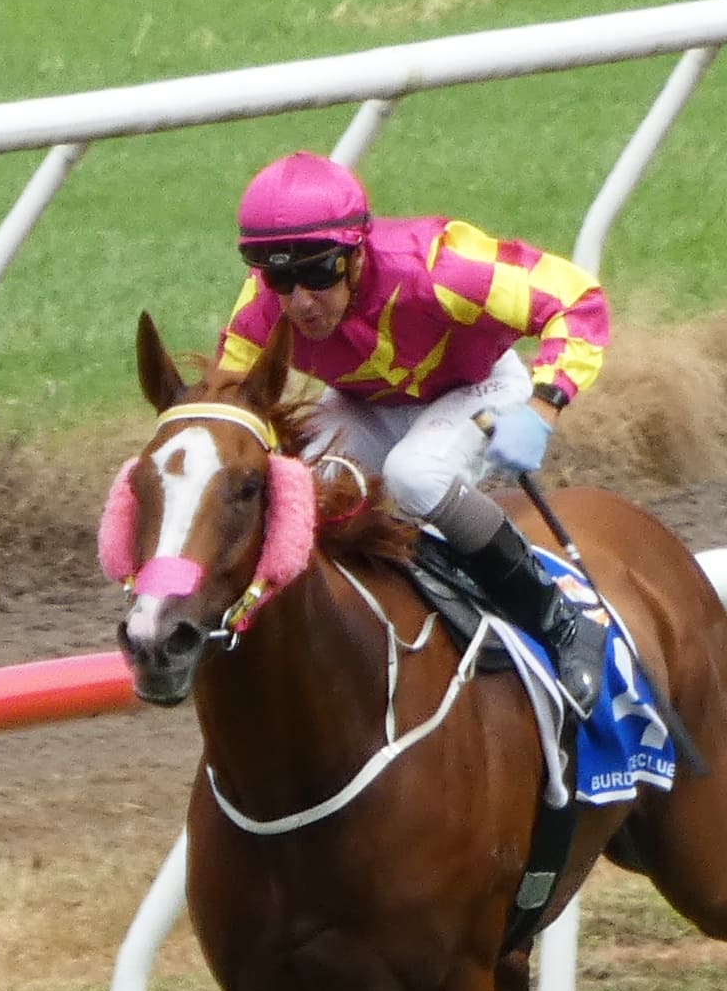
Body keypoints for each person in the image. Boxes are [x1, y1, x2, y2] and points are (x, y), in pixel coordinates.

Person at [212, 150, 620, 716]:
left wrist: (544, 405)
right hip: (368, 404)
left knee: (414, 475)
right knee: (304, 490)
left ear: (355, 254)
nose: (300, 301)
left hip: (478, 388)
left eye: (318, 272)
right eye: (280, 276)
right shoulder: (262, 311)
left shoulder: (438, 265)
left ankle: (560, 622)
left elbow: (578, 298)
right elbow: (224, 405)